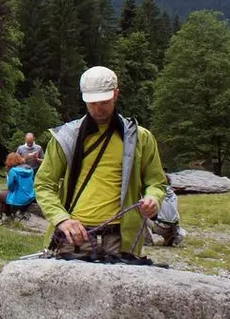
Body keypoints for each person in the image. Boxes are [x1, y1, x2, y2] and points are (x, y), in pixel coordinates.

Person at [34, 66, 166, 256]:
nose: (98, 109)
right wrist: (61, 219)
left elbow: (156, 182)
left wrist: (153, 198)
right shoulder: (66, 137)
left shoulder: (141, 138)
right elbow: (44, 184)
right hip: (75, 236)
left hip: (120, 238)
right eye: (92, 103)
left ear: (116, 94)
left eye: (104, 102)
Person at [0, 152, 37, 225]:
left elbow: (11, 187)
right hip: (30, 197)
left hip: (20, 199)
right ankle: (8, 215)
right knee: (5, 193)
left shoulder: (13, 171)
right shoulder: (30, 169)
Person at [149, 172, 187, 246]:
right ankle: (168, 236)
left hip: (160, 226)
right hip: (174, 227)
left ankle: (147, 241)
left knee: (141, 213)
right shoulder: (173, 195)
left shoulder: (156, 193)